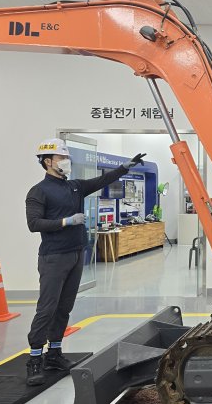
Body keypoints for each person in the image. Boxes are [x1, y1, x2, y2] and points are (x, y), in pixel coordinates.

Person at [24, 138, 146, 386]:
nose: (66, 162)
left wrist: (125, 168)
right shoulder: (39, 191)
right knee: (47, 308)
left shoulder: (75, 187)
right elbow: (33, 224)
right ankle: (35, 358)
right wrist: (66, 222)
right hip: (54, 256)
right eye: (62, 158)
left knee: (64, 307)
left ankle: (54, 354)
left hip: (77, 253)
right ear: (48, 161)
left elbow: (101, 181)